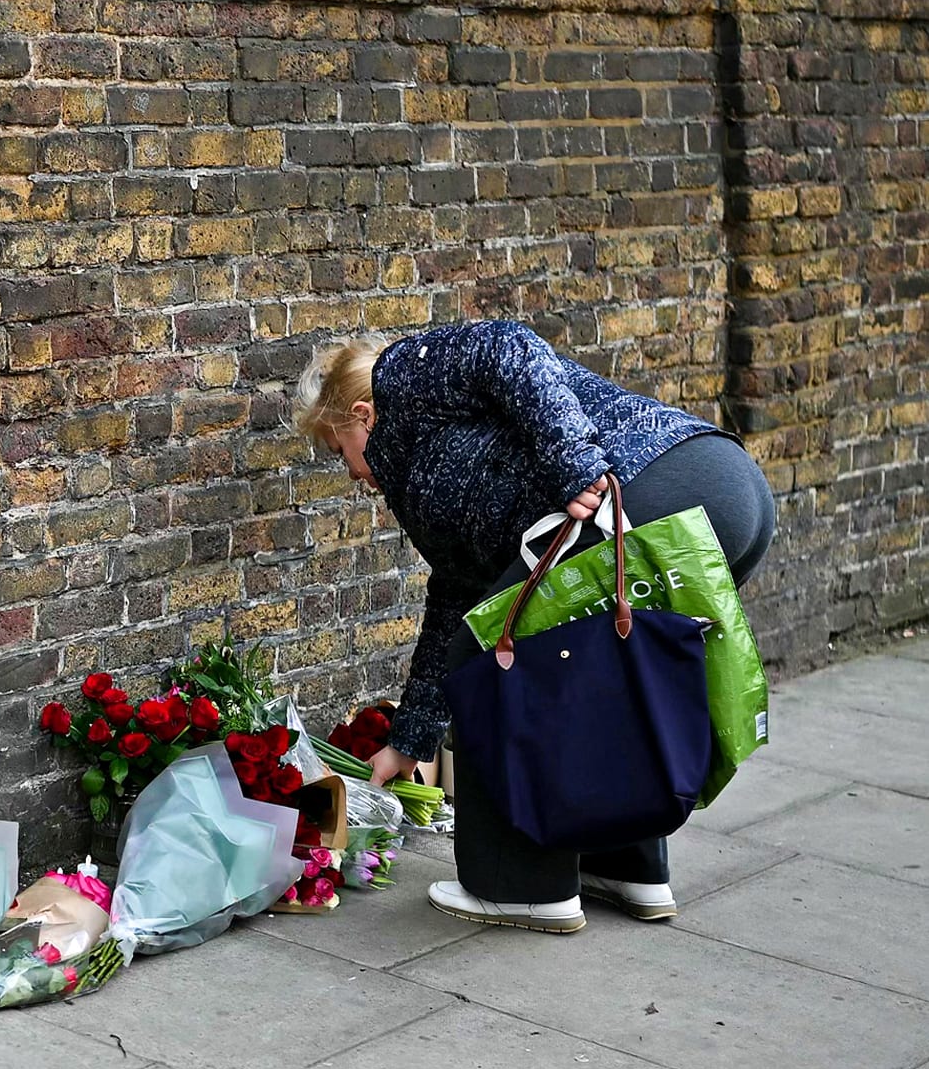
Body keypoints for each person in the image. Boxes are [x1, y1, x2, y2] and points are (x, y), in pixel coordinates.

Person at [294, 321, 776, 932]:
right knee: (602, 675)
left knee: (489, 665)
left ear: (362, 415)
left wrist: (576, 469)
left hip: (662, 488)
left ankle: (518, 884)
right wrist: (409, 739)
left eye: (341, 451)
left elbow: (510, 346)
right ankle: (622, 863)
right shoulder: (423, 468)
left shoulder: (405, 374)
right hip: (719, 493)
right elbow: (460, 595)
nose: (352, 474)